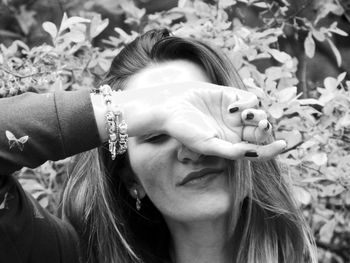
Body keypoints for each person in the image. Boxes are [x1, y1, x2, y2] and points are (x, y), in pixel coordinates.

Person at [0, 28, 315, 263]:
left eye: (205, 120)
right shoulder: (69, 256)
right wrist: (130, 109)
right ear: (131, 179)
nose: (192, 149)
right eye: (156, 133)